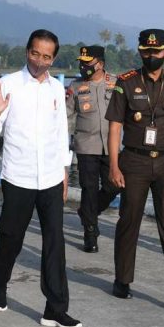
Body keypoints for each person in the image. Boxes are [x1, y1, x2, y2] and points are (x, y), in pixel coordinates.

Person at [0, 29, 82, 327]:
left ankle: (55, 308)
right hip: (19, 177)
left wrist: (65, 171)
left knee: (55, 241)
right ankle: (0, 287)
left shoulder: (56, 87)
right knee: (11, 238)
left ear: (54, 58)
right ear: (27, 51)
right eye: (35, 53)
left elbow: (61, 133)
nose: (40, 61)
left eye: (47, 56)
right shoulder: (9, 84)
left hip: (51, 178)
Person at [106, 29, 164, 310]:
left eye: (156, 52)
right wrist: (114, 165)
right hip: (134, 161)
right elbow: (115, 126)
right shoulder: (126, 83)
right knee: (129, 220)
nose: (151, 56)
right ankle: (122, 280)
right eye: (146, 51)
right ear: (140, 52)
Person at [66, 45, 120, 253]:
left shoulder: (116, 83)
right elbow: (68, 116)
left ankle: (88, 213)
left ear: (101, 64)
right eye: (81, 63)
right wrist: (65, 143)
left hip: (113, 146)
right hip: (86, 145)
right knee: (88, 188)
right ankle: (90, 232)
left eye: (88, 63)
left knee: (113, 186)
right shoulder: (76, 86)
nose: (83, 67)